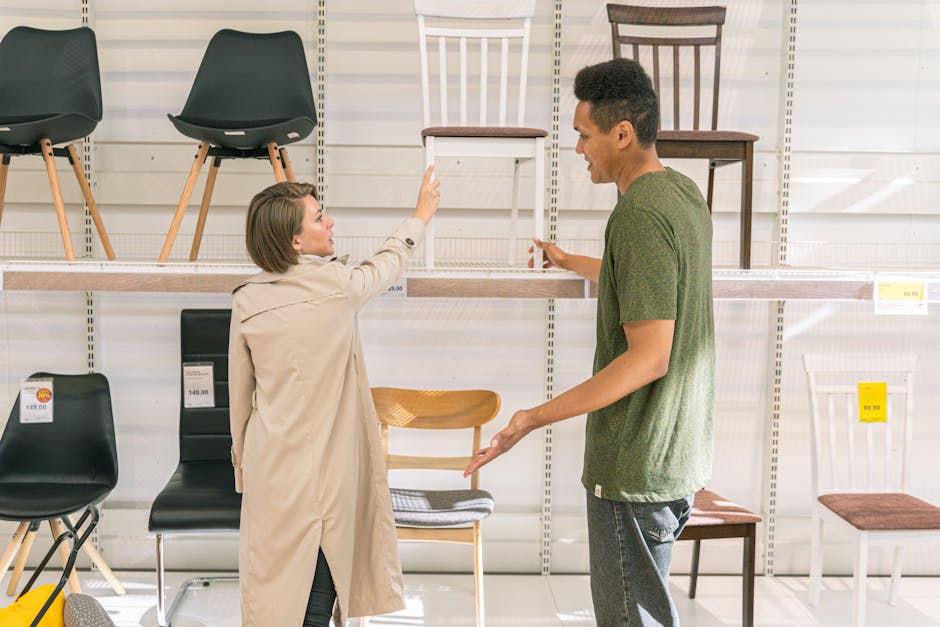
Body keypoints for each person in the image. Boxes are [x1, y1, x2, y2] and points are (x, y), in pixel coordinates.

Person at [465, 58, 715, 627]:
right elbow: (647, 281)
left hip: (633, 464)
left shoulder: (638, 216)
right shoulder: (683, 196)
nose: (579, 148)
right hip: (676, 459)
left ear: (622, 133)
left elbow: (650, 357)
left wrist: (532, 417)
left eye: (584, 134)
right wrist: (566, 259)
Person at [229, 167, 440, 626]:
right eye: (319, 218)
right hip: (328, 470)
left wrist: (244, 469)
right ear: (296, 243)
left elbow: (239, 400)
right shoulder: (338, 287)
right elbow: (387, 263)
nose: (331, 224)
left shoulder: (245, 300)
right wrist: (420, 215)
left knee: (274, 592)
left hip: (270, 472)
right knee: (320, 592)